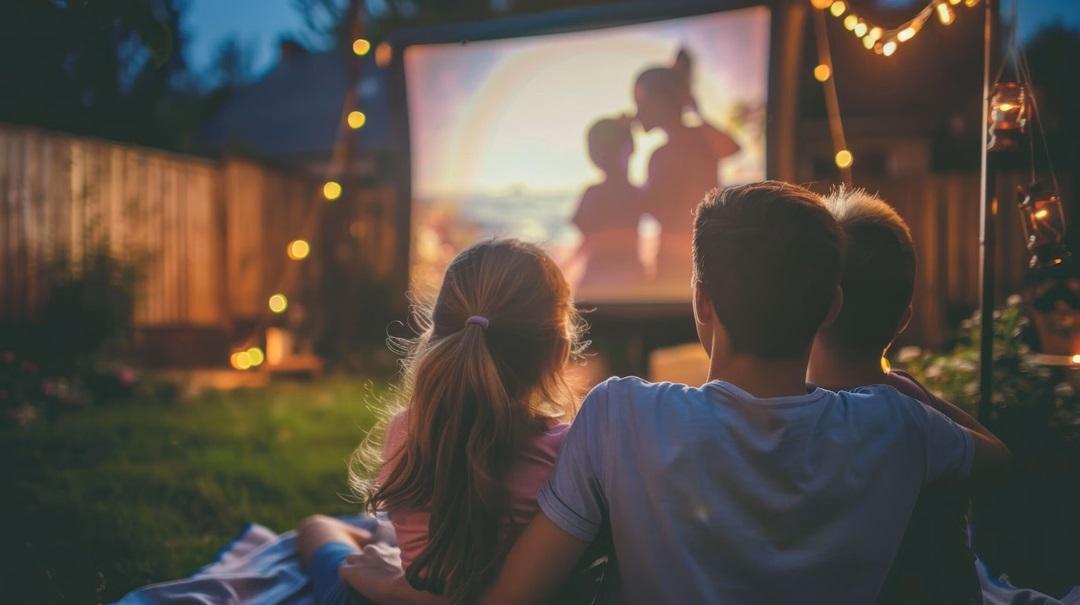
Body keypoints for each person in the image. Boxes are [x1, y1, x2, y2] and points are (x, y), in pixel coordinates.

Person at [338, 181, 1011, 604]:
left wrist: (374, 578)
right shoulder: (897, 426)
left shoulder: (621, 416)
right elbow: (998, 459)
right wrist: (892, 381)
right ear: (831, 307)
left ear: (701, 303)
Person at [297, 238, 587, 604]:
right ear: (559, 353)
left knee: (317, 528)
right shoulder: (570, 454)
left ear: (437, 335)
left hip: (377, 598)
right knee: (362, 533)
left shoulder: (408, 429)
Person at [807, 187, 1009, 604]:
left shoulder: (797, 412)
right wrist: (913, 391)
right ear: (903, 321)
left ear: (812, 308)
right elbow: (999, 459)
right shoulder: (912, 411)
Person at [634, 48, 740, 289]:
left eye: (642, 102)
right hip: (703, 254)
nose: (638, 110)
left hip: (678, 260)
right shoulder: (697, 141)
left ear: (663, 103)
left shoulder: (667, 153)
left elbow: (656, 208)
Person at [572, 115, 643, 294]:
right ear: (630, 149)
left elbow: (586, 240)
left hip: (596, 280)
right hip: (632, 278)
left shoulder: (593, 194)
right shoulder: (638, 193)